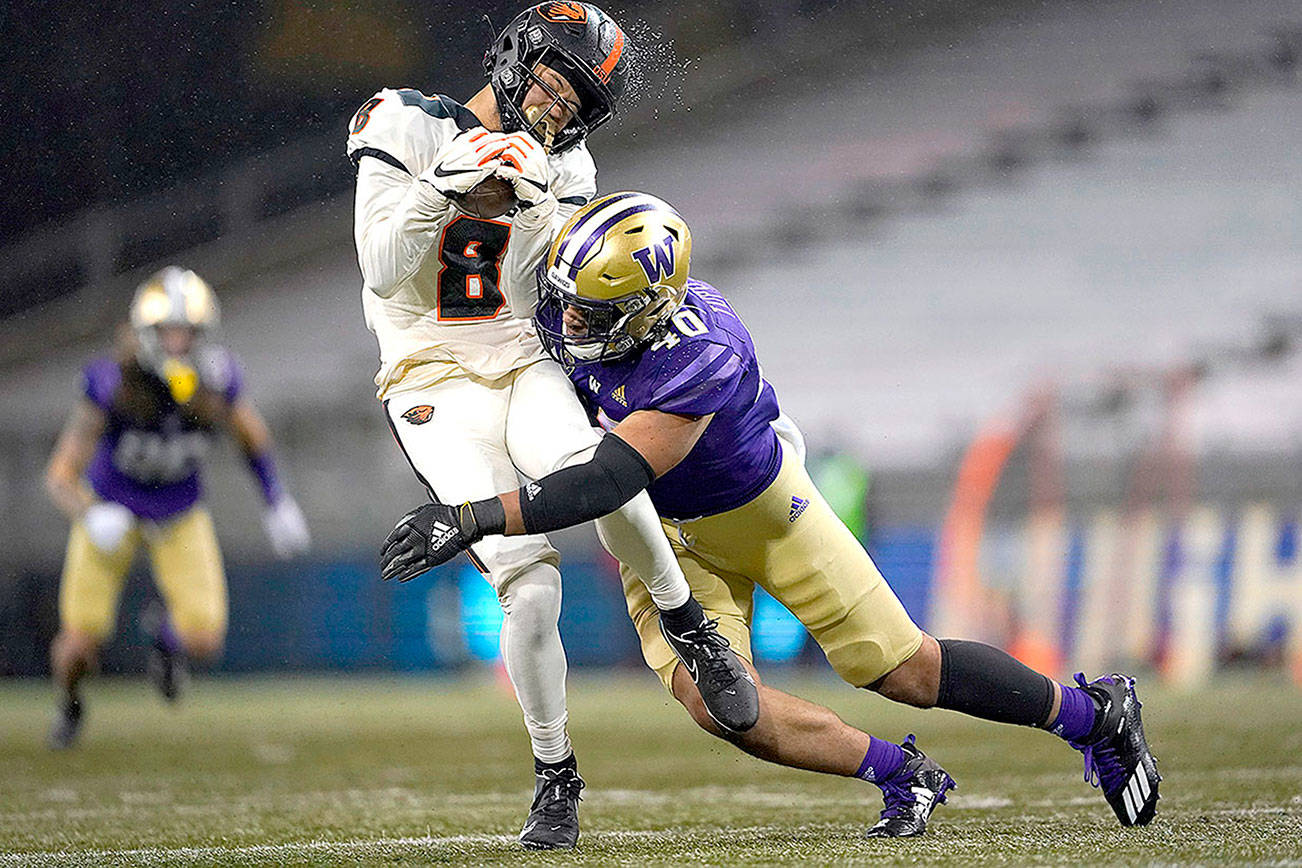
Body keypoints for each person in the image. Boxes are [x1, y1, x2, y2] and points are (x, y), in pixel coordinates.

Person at [379, 192, 1164, 836]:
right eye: (569, 305)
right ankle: (904, 775)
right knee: (724, 708)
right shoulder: (570, 309)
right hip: (665, 543)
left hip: (762, 512)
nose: (569, 324)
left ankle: (1092, 716)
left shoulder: (700, 350)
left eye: (593, 313)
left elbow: (607, 480)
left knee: (904, 671)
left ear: (650, 307)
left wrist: (471, 516)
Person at [349, 3, 757, 850]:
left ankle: (691, 627)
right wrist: (446, 185)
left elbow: (552, 291)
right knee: (528, 584)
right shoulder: (402, 122)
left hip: (519, 357)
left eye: (579, 98)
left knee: (597, 469)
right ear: (515, 53)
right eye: (555, 78)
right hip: (429, 375)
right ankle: (556, 773)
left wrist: (534, 204)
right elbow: (384, 268)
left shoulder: (567, 165)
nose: (560, 105)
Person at [45, 266, 310, 749]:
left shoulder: (217, 380)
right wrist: (89, 512)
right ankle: (70, 704)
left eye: (188, 332)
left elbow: (252, 439)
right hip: (113, 510)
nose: (179, 342)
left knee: (204, 639)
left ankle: (165, 645)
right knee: (79, 645)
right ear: (145, 333)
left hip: (178, 511)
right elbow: (59, 475)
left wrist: (277, 501)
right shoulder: (112, 382)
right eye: (168, 331)